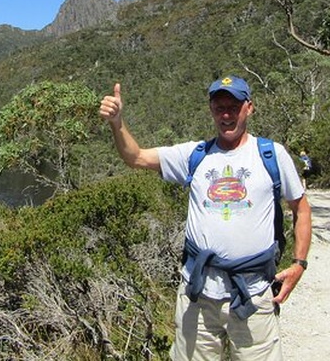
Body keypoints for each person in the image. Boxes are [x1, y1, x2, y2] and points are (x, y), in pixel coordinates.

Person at [99, 76, 312, 361]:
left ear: (249, 108)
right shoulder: (194, 155)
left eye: (233, 107)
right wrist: (117, 122)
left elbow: (301, 209)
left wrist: (299, 264)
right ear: (211, 110)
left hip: (254, 293)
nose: (226, 115)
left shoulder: (271, 155)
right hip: (198, 295)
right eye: (218, 107)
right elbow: (136, 157)